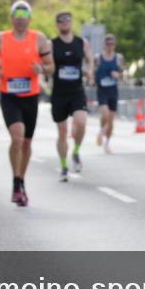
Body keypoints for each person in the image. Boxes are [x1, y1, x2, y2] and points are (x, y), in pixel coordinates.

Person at [0, 0, 54, 206]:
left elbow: (51, 66)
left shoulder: (39, 39)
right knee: (17, 137)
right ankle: (16, 183)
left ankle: (20, 180)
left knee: (26, 142)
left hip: (30, 95)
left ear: (29, 19)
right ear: (11, 19)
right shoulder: (1, 38)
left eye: (24, 18)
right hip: (9, 95)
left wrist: (42, 70)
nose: (20, 21)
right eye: (17, 18)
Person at [49, 10, 93, 182]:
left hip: (76, 91)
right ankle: (63, 166)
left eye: (67, 20)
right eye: (61, 20)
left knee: (81, 123)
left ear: (72, 22)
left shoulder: (81, 43)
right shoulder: (51, 44)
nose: (64, 23)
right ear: (57, 24)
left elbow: (90, 60)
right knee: (62, 132)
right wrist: (44, 77)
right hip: (59, 93)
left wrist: (90, 72)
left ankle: (75, 152)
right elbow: (47, 64)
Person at [94, 33, 123, 154]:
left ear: (115, 45)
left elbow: (121, 73)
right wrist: (93, 78)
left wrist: (118, 75)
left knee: (111, 120)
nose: (109, 46)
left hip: (113, 90)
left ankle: (107, 143)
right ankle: (101, 131)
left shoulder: (119, 57)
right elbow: (93, 70)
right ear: (104, 45)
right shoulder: (98, 57)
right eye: (107, 43)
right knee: (104, 115)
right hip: (102, 90)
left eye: (111, 44)